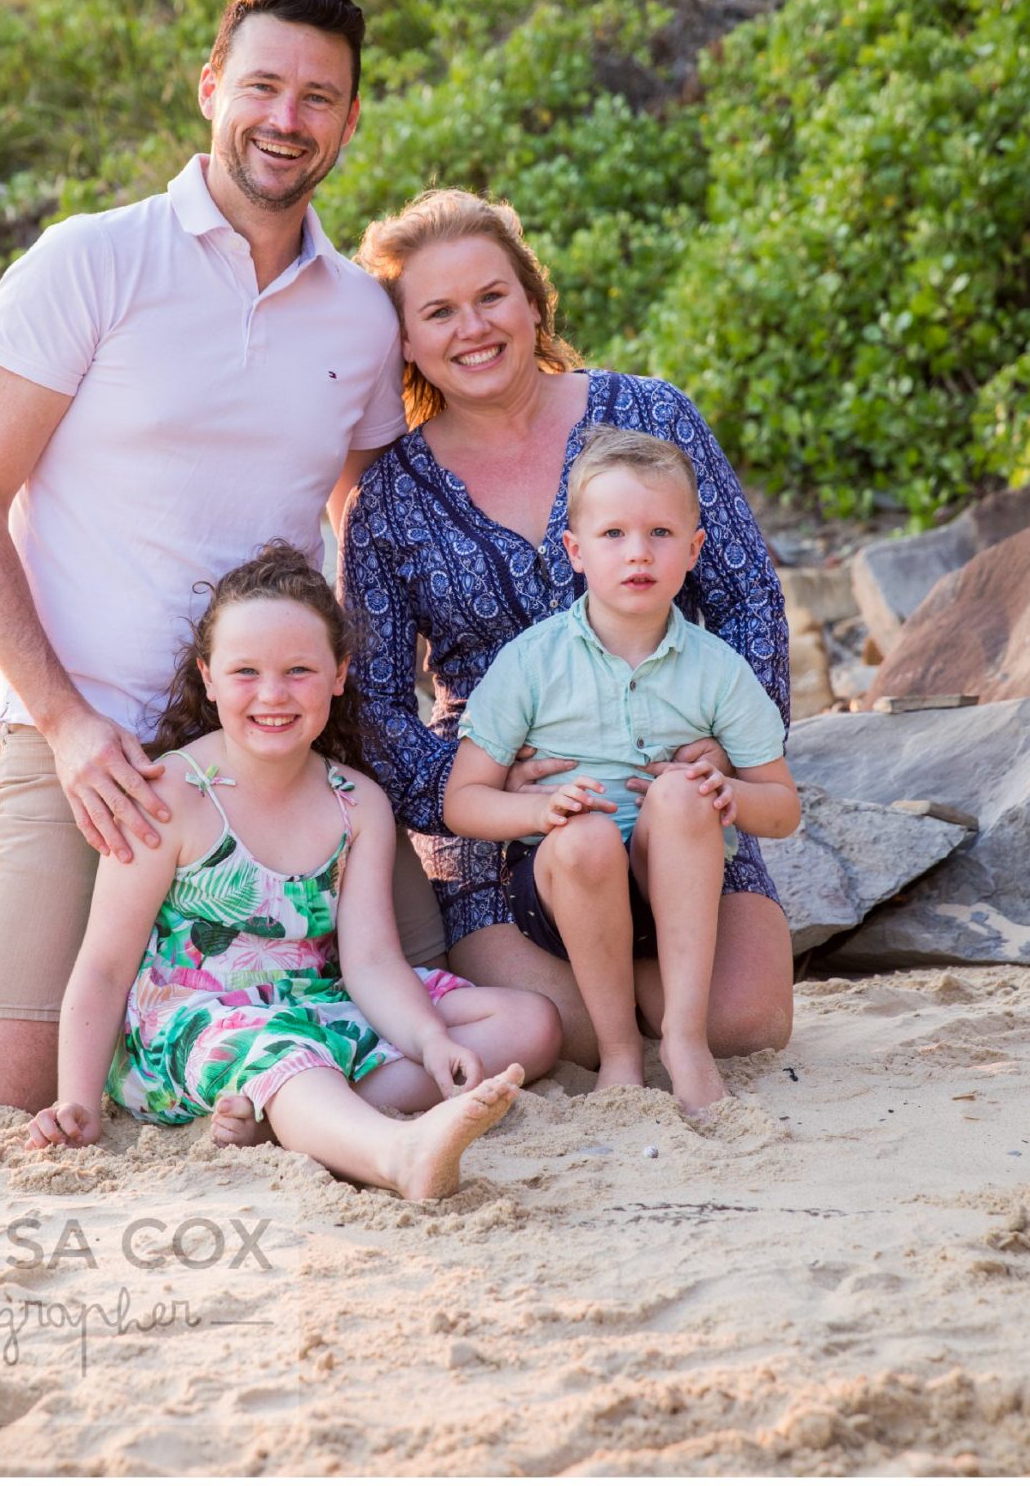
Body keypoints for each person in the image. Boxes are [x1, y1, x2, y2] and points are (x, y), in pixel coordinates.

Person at [0, 0, 413, 1117]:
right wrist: (62, 723)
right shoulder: (90, 261)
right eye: (261, 86)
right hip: (89, 748)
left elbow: (370, 521)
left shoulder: (360, 314)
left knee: (437, 1011)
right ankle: (159, 1011)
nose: (285, 119)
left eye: (317, 98)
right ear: (210, 88)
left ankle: (211, 1031)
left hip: (273, 748)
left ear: (347, 122)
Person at [338, 188, 795, 1073]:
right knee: (560, 1034)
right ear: (405, 341)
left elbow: (746, 598)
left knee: (750, 1021)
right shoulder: (389, 497)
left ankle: (668, 993)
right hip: (506, 827)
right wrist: (489, 789)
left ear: (533, 301)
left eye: (492, 296)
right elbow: (376, 703)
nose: (472, 328)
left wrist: (727, 750)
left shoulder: (653, 417)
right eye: (438, 311)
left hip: (671, 788)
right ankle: (632, 1012)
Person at [24, 544, 552, 1198]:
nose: (272, 695)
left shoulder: (356, 803)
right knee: (287, 1051)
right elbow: (104, 966)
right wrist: (75, 1100)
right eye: (245, 671)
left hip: (315, 1000)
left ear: (338, 674)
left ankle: (289, 1118)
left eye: (298, 670)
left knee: (528, 1024)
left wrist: (427, 1038)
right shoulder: (168, 795)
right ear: (208, 677)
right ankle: (394, 1154)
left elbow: (372, 962)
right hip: (196, 1026)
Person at [443, 427, 800, 1111]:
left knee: (682, 795)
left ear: (694, 551)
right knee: (581, 834)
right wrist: (534, 812)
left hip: (682, 890)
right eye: (613, 534)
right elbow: (464, 800)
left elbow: (783, 808)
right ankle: (619, 1052)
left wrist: (728, 793)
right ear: (574, 552)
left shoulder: (716, 668)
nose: (638, 552)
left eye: (661, 532)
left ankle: (684, 1040)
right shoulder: (530, 662)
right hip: (566, 890)